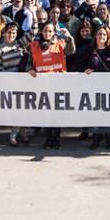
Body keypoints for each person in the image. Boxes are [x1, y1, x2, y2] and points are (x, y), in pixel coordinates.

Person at [27, 21, 75, 149]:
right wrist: (29, 69)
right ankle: (49, 138)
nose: (48, 33)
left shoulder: (60, 43)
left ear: (54, 32)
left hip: (58, 84)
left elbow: (71, 51)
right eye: (45, 31)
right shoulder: (34, 45)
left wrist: (69, 37)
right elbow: (28, 63)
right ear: (41, 32)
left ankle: (56, 138)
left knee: (56, 112)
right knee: (46, 113)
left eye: (50, 31)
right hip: (42, 84)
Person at [77, 25, 110, 149]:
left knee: (107, 113)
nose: (101, 36)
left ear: (107, 37)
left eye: (104, 34)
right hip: (93, 87)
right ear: (95, 36)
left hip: (108, 87)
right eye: (99, 34)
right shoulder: (89, 50)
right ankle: (96, 138)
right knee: (96, 113)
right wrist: (84, 70)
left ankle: (108, 138)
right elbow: (80, 65)